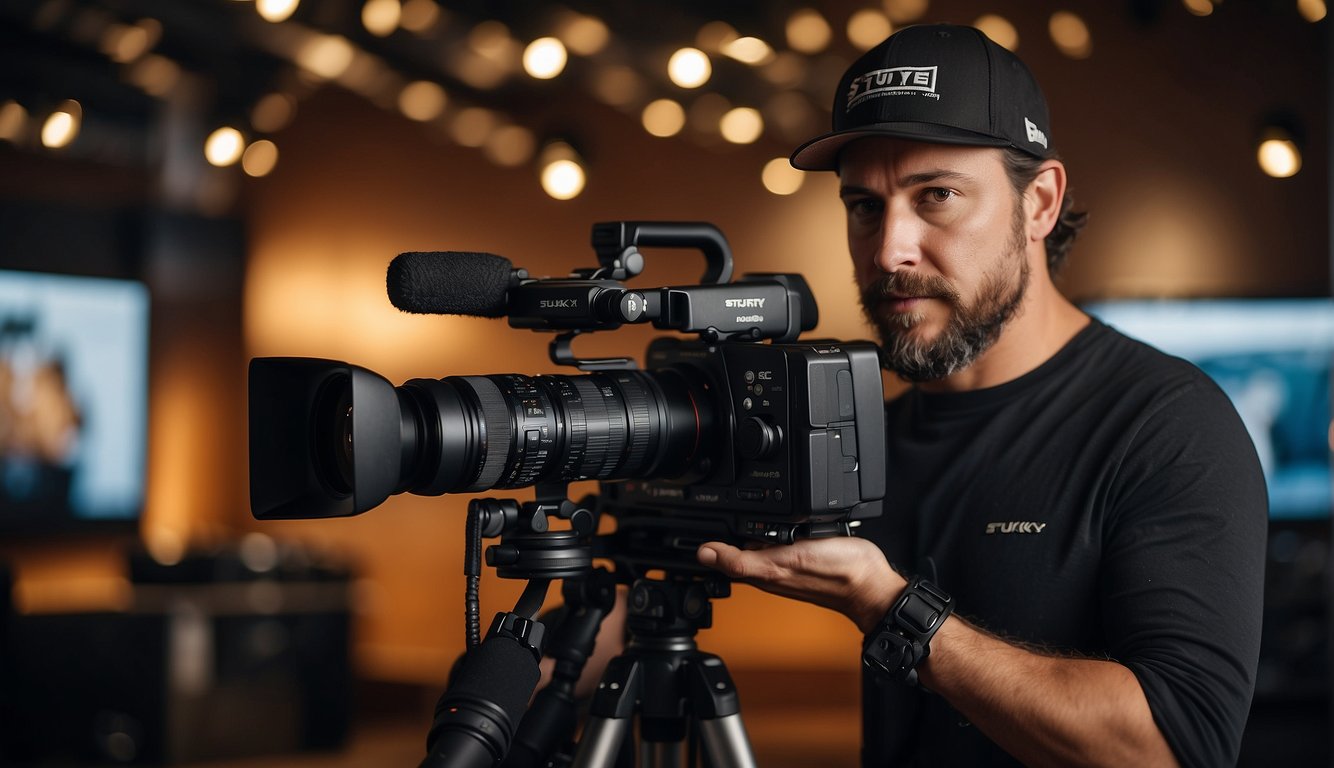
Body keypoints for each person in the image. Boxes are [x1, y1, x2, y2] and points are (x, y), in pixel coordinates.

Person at [694, 23, 1268, 767]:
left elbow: (1169, 750)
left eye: (936, 195)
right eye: (865, 206)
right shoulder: (868, 437)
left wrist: (890, 607)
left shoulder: (1167, 426)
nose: (889, 248)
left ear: (1040, 203)